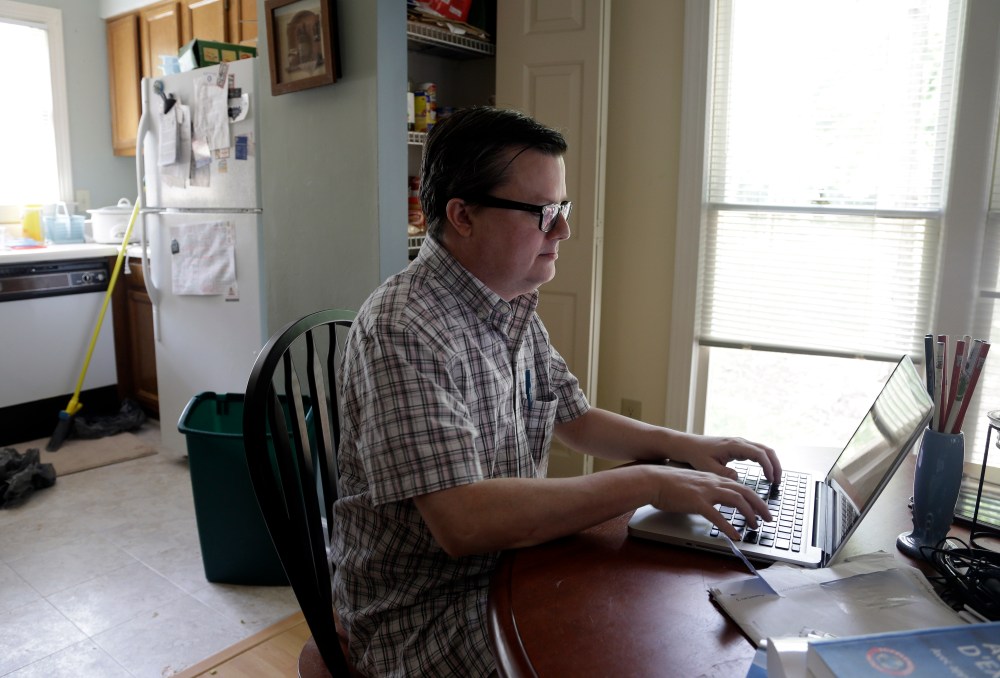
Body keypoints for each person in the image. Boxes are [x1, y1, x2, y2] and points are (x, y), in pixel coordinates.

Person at [331, 106, 782, 676]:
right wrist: (646, 481)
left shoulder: (507, 299)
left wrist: (686, 445)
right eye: (543, 212)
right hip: (422, 612)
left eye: (562, 208)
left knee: (660, 608)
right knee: (630, 647)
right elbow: (462, 522)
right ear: (462, 215)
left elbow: (575, 417)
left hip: (511, 565)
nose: (564, 229)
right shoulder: (404, 327)